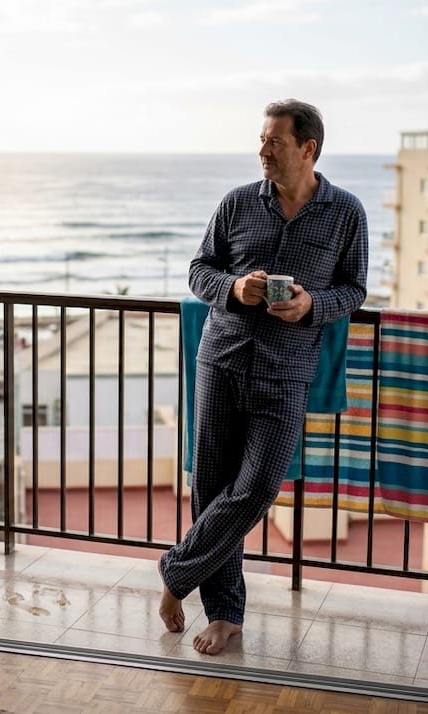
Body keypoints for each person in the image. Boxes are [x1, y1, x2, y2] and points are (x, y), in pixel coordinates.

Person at [158, 99, 369, 654]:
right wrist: (233, 288)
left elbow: (354, 289)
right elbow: (199, 270)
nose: (263, 150)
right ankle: (225, 614)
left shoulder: (346, 213)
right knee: (210, 489)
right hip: (222, 359)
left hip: (287, 370)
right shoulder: (235, 204)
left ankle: (174, 573)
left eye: (274, 141)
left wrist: (311, 306)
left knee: (256, 488)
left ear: (308, 148)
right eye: (261, 139)